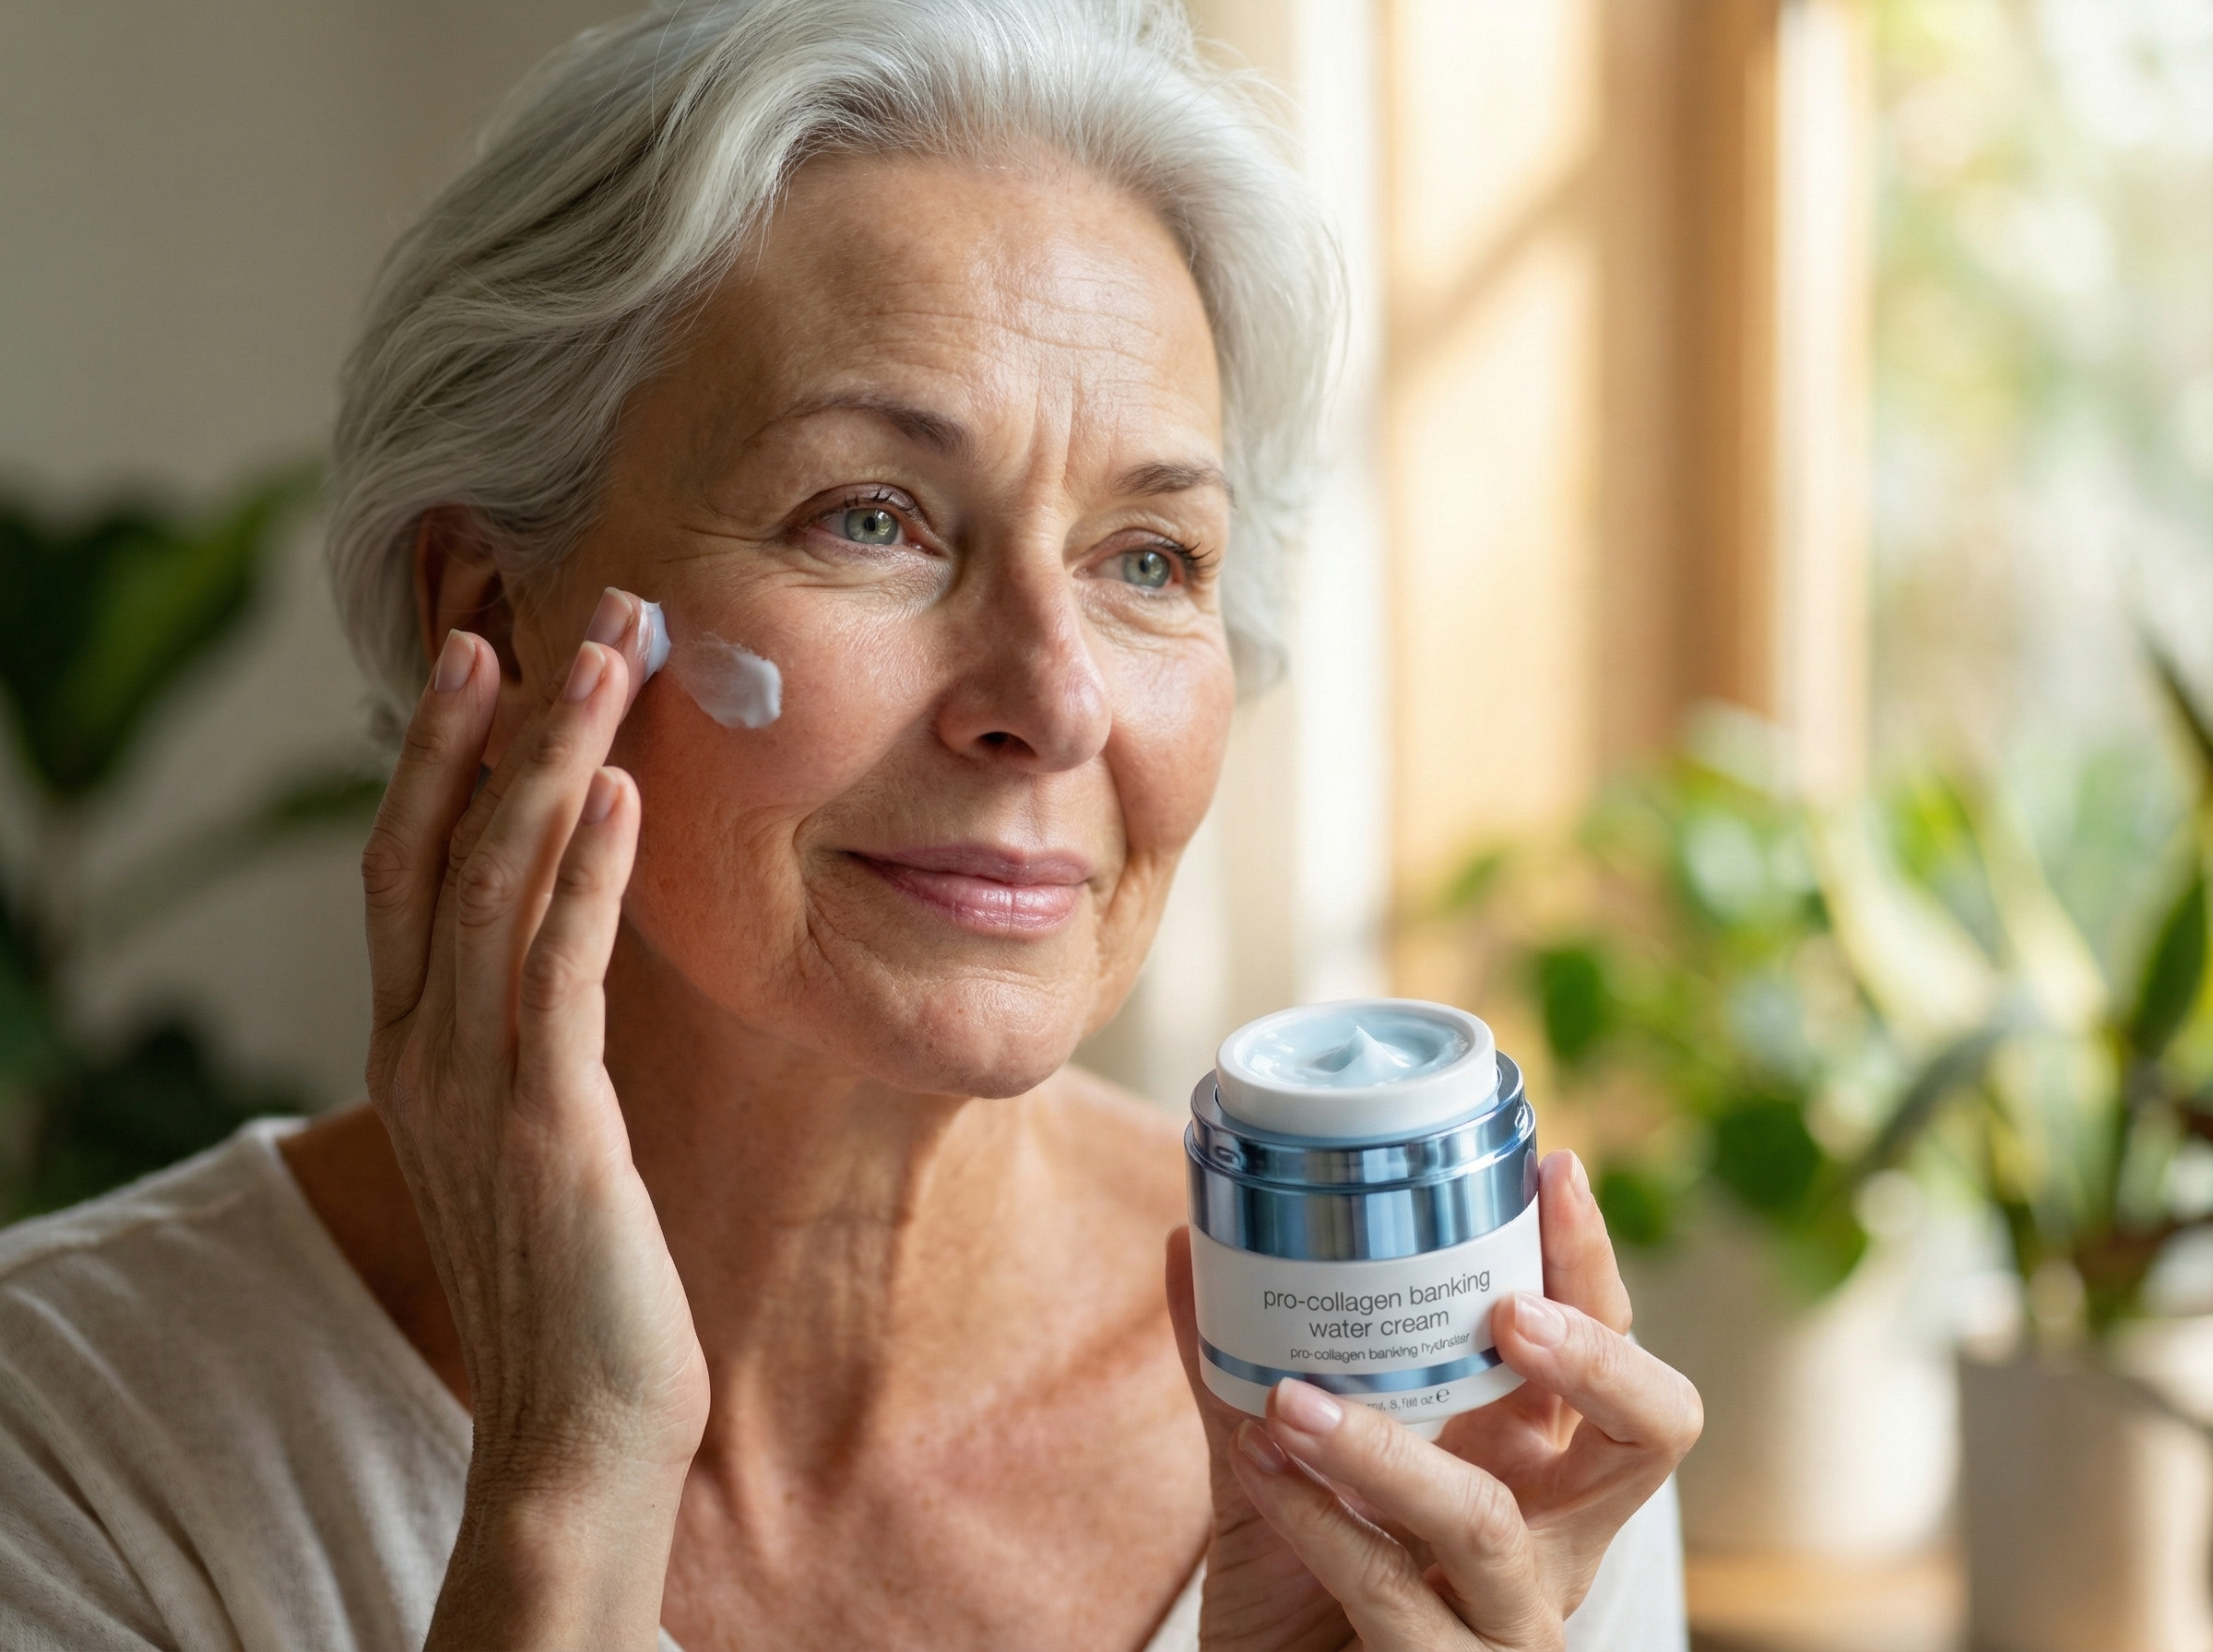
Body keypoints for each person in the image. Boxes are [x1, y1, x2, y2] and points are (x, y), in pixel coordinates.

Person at [0, 3, 1701, 1647]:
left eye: (1149, 560)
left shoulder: (1455, 1402)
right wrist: (567, 1486)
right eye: (871, 519)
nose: (1055, 698)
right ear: (502, 622)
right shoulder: (74, 1444)